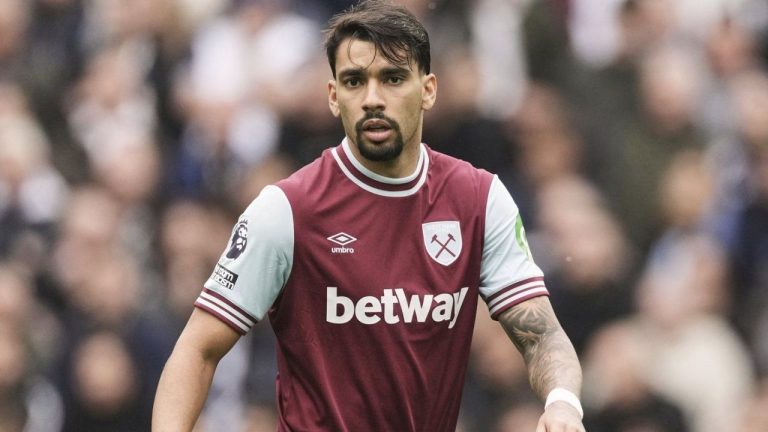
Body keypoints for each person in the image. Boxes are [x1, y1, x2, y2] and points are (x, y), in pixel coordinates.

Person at [152, 1, 585, 431]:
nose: (373, 99)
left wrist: (563, 402)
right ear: (333, 96)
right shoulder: (287, 210)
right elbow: (197, 349)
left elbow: (542, 333)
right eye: (355, 81)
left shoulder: (478, 199)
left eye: (393, 79)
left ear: (428, 89)